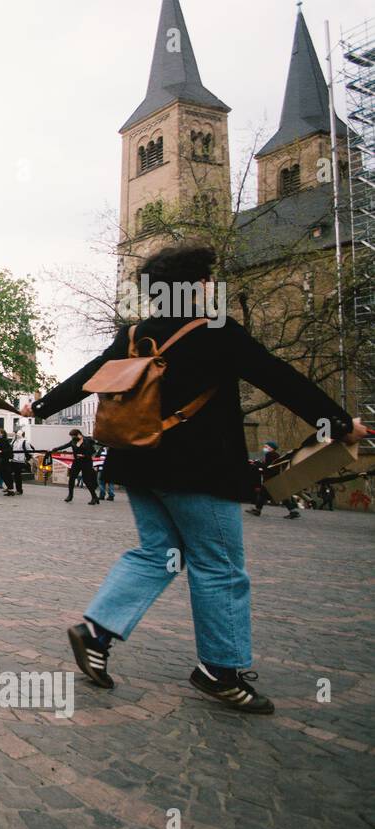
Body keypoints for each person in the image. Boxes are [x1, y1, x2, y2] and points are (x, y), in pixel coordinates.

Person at [26, 242, 367, 714]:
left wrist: (39, 406)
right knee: (219, 565)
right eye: (206, 279)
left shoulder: (133, 334)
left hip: (138, 463)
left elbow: (87, 377)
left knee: (157, 553)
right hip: (199, 468)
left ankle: (97, 632)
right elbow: (279, 378)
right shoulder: (217, 332)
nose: (210, 285)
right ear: (193, 286)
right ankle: (221, 670)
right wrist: (338, 421)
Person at [246, 441, 299, 518]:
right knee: (273, 495)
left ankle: (257, 510)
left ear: (271, 448)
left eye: (266, 447)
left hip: (270, 479)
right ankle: (293, 511)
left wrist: (256, 463)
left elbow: (268, 467)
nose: (264, 448)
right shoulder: (276, 455)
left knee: (262, 494)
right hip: (274, 479)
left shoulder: (270, 455)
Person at [50, 428, 100, 504]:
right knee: (72, 478)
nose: (72, 438)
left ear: (78, 434)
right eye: (72, 437)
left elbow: (97, 446)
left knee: (87, 480)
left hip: (86, 462)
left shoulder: (88, 440)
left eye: (73, 436)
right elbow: (65, 446)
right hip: (77, 462)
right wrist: (56, 449)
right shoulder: (73, 441)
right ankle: (70, 495)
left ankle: (94, 497)